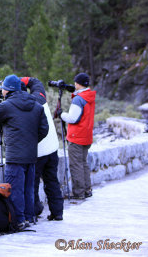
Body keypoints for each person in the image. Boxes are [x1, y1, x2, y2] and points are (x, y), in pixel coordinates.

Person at [0, 74, 49, 230]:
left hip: (15, 155)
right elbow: (44, 129)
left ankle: (18, 221)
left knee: (15, 189)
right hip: (31, 155)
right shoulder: (36, 105)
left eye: (3, 88)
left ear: (7, 89)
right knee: (29, 188)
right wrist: (30, 142)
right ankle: (29, 217)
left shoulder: (7, 106)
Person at [21, 77, 64, 221]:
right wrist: (19, 79)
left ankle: (33, 212)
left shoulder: (22, 106)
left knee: (32, 184)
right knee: (52, 181)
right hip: (52, 148)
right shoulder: (40, 96)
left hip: (38, 151)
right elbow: (36, 82)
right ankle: (57, 213)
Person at [57, 72, 96, 200]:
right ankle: (87, 189)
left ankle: (78, 192)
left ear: (78, 83)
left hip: (76, 136)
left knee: (76, 165)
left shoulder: (78, 99)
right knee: (83, 163)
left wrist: (61, 114)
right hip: (86, 135)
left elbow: (73, 118)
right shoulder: (89, 96)